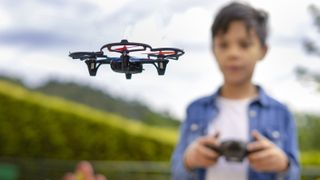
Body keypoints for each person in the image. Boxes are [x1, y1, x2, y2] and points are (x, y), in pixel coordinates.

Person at [171, 2, 299, 180]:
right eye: (223, 45)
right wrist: (189, 160)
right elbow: (176, 172)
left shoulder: (281, 113)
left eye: (244, 45)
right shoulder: (195, 110)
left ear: (263, 50)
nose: (233, 53)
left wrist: (282, 165)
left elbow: (294, 174)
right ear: (213, 50)